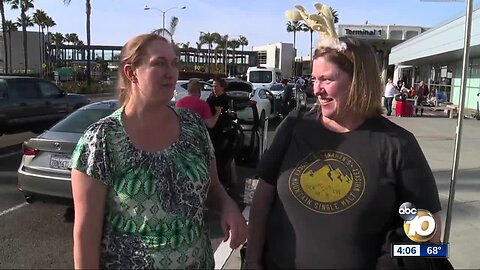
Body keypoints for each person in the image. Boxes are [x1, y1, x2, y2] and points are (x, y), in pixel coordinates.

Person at [246, 35, 442, 269]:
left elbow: (432, 238)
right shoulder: (295, 126)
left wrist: (394, 263)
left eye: (326, 80)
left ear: (358, 80)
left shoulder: (398, 144)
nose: (316, 89)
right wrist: (252, 261)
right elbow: (261, 199)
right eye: (314, 79)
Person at [70, 33, 247, 269]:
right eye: (159, 63)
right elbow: (85, 234)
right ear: (131, 72)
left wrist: (228, 206)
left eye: (174, 64)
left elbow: (214, 187)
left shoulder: (193, 126)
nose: (171, 72)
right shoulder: (101, 140)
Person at [206, 77, 233, 188]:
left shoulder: (226, 99)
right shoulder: (210, 99)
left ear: (222, 87)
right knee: (215, 157)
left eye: (216, 86)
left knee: (223, 157)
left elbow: (233, 113)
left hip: (224, 132)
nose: (214, 88)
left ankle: (224, 181)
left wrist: (230, 114)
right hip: (213, 131)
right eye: (212, 86)